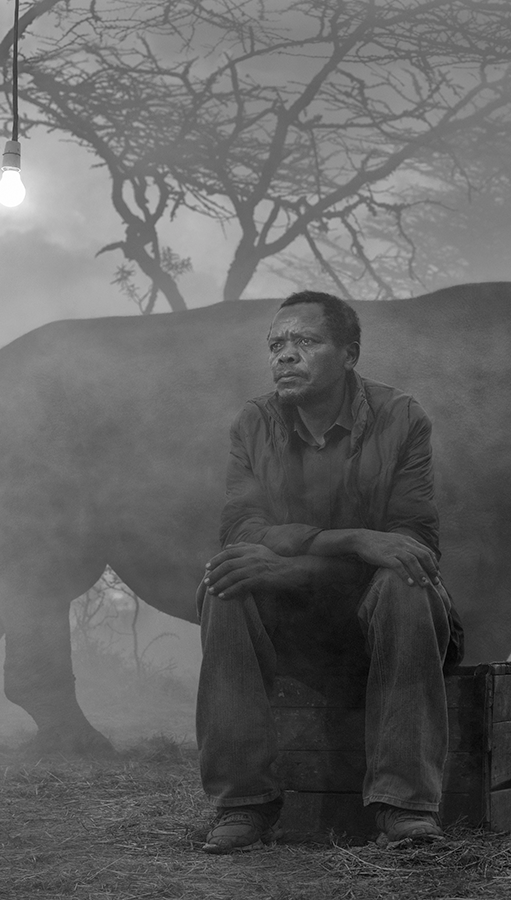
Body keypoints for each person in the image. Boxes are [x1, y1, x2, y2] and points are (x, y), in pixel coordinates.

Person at [196, 290, 463, 853]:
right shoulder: (254, 421)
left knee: (405, 582)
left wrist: (297, 562)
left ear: (350, 354)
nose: (284, 356)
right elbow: (241, 529)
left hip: (380, 622)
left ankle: (404, 805)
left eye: (305, 341)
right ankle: (243, 805)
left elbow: (414, 542)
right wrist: (352, 540)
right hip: (297, 627)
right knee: (225, 585)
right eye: (276, 345)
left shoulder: (401, 417)